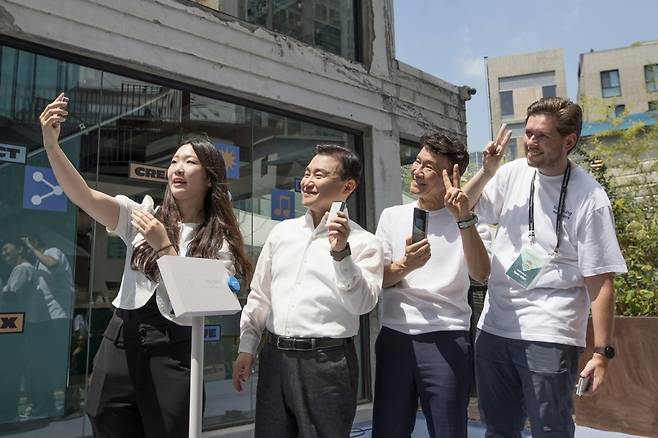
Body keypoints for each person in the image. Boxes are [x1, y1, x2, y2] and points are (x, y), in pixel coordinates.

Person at [39, 93, 252, 438]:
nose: (178, 169)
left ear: (210, 178)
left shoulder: (219, 240)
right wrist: (52, 145)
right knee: (105, 416)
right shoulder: (142, 213)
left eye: (190, 163)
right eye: (174, 161)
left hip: (175, 346)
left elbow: (201, 302)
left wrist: (163, 245)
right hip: (121, 336)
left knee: (171, 429)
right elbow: (83, 196)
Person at [464, 97, 627, 437]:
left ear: (569, 141)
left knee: (550, 429)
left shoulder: (591, 198)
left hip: (550, 330)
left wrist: (602, 352)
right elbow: (462, 209)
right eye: (528, 133)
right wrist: (487, 171)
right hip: (495, 324)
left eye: (542, 136)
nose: (530, 142)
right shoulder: (511, 173)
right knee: (497, 429)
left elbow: (600, 280)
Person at [232, 144, 384, 438]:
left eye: (319, 174)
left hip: (327, 364)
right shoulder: (282, 233)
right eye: (306, 173)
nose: (307, 181)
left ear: (347, 186)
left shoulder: (366, 243)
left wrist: (342, 254)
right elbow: (260, 295)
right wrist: (247, 347)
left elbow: (363, 304)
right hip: (275, 358)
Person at [372, 133, 491, 438]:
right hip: (395, 336)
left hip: (447, 339)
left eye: (429, 167)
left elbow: (481, 274)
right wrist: (405, 265)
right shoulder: (392, 215)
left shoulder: (469, 220)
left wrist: (464, 219)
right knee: (388, 429)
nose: (417, 171)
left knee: (448, 430)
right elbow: (379, 279)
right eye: (417, 162)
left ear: (452, 175)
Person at [21, 234, 72, 419]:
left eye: (28, 246)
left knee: (48, 364)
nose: (27, 251)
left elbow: (52, 264)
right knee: (36, 364)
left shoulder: (53, 252)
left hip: (55, 317)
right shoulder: (36, 264)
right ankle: (43, 405)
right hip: (39, 320)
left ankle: (52, 406)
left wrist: (30, 246)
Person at [0, 239, 45, 424]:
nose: (4, 254)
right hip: (16, 323)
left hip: (14, 324)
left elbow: (11, 297)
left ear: (19, 249)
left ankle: (8, 412)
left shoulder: (22, 269)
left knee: (10, 370)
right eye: (2, 252)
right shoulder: (23, 269)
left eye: (6, 249)